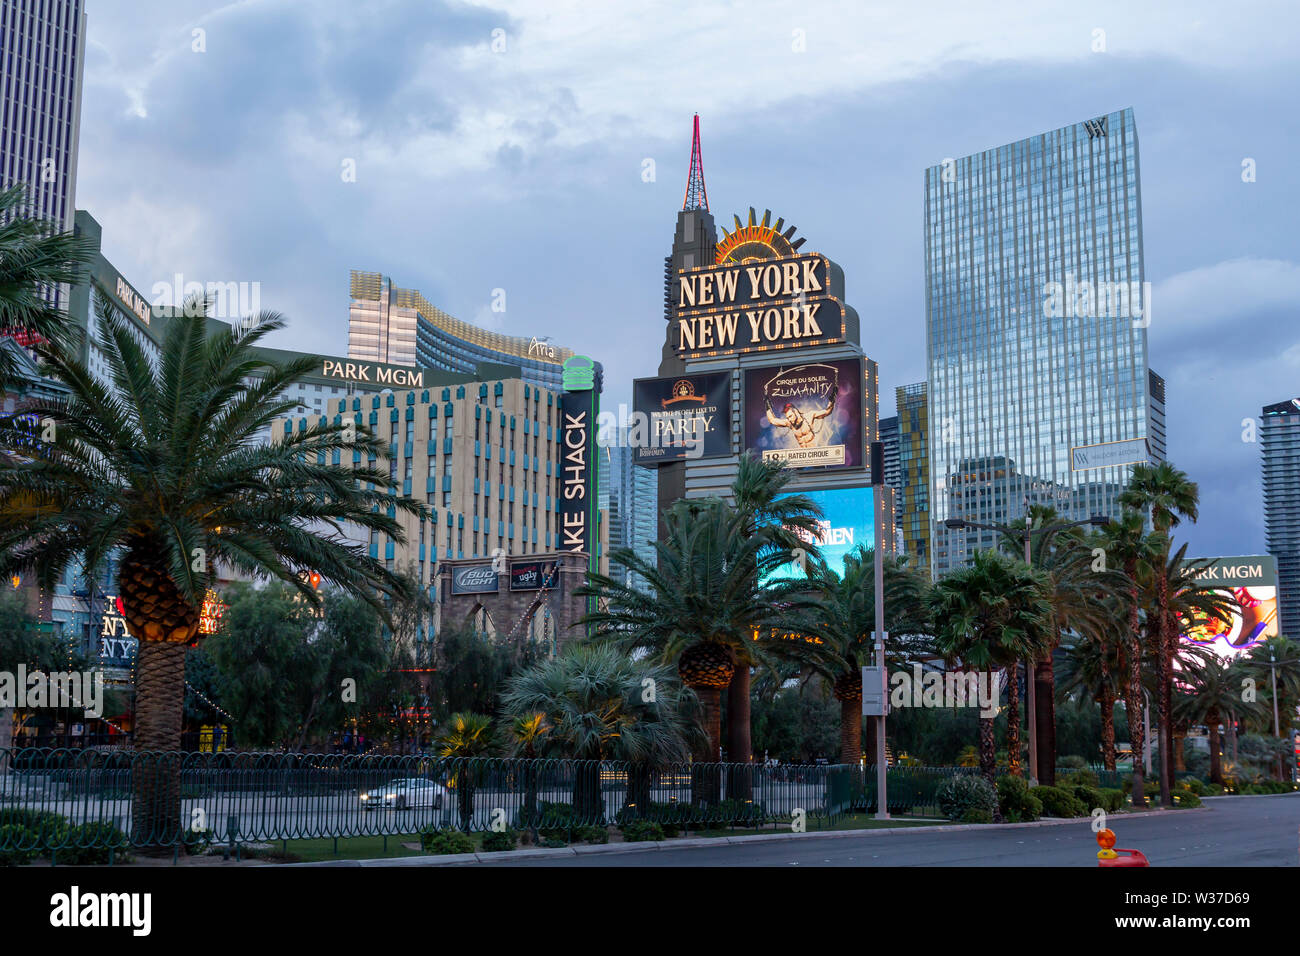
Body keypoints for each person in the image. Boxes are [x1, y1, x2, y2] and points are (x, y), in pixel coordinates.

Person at [766, 396, 834, 447]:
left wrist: (832, 399)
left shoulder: (809, 416)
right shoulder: (789, 423)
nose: (789, 419)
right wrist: (767, 406)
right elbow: (772, 420)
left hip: (814, 453)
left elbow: (827, 411)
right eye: (787, 417)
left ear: (795, 412)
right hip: (802, 456)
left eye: (790, 416)